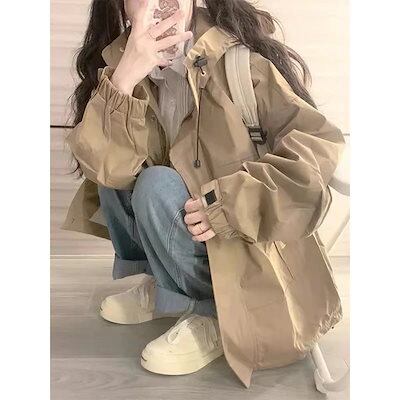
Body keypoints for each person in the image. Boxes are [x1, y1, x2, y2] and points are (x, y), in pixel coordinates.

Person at [63, 0, 345, 385]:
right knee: (111, 163)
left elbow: (318, 144)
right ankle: (166, 284)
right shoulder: (124, 64)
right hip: (188, 227)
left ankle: (211, 311)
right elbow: (103, 166)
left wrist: (233, 201)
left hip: (240, 244)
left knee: (155, 184)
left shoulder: (240, 62)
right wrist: (125, 77)